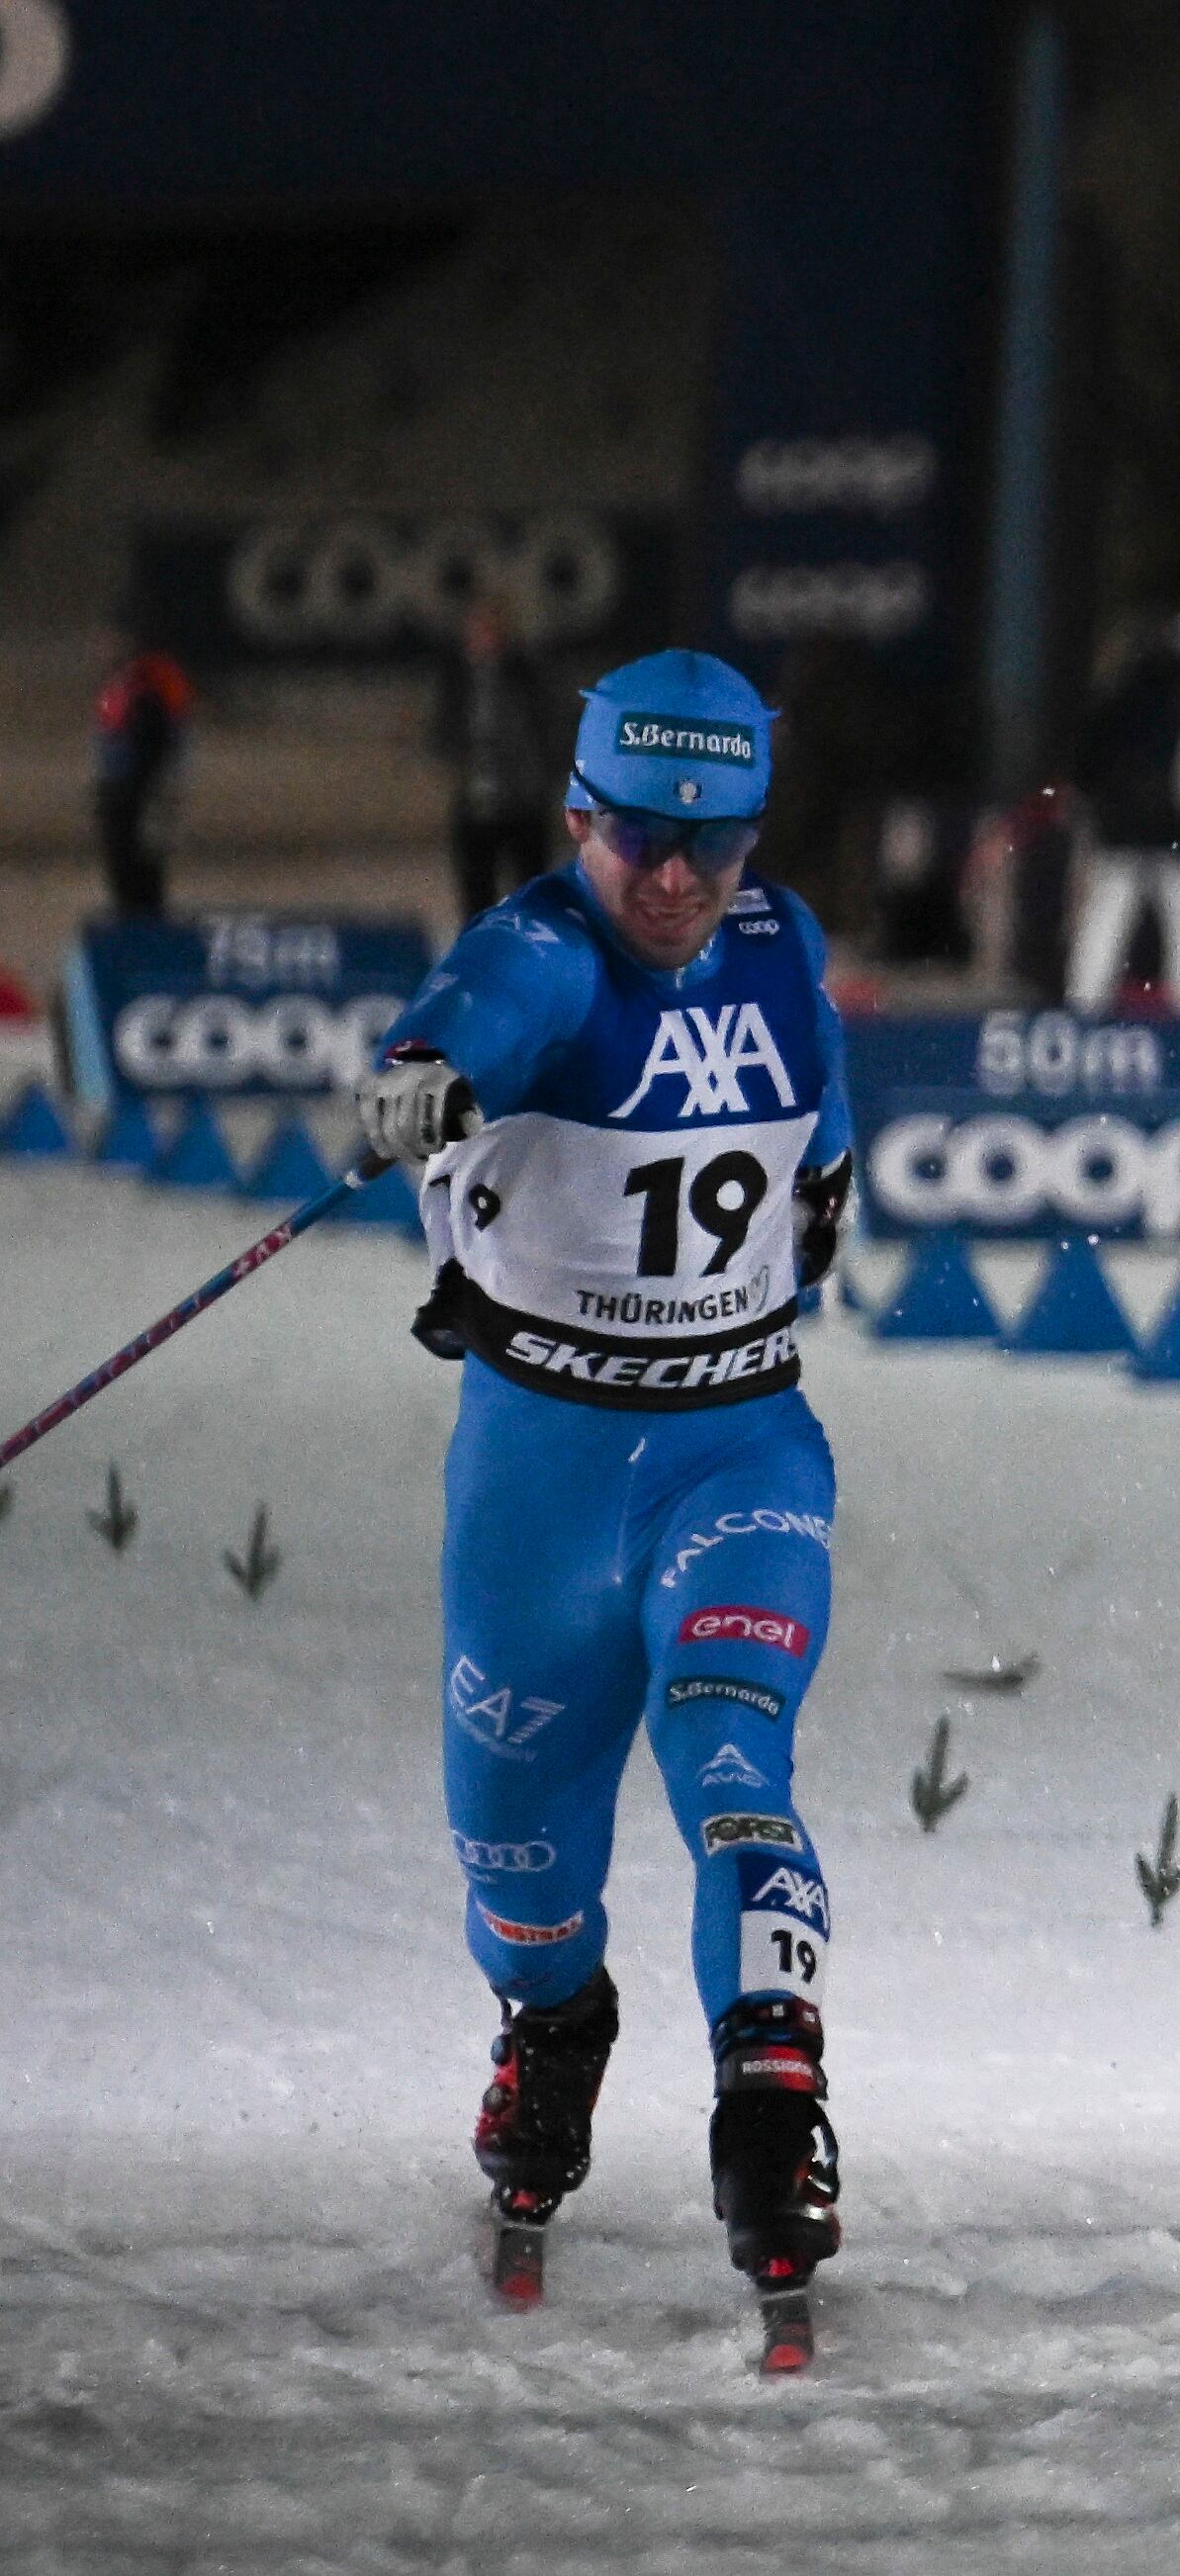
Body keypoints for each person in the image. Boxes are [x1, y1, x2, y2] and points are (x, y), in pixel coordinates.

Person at [353, 648, 859, 2338]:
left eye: (713, 846)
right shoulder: (544, 952)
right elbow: (469, 1015)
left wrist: (829, 1195)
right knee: (516, 1867)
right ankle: (557, 2026)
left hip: (735, 1447)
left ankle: (771, 2109)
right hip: (540, 1485)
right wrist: (422, 1078)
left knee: (735, 1750)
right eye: (641, 837)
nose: (676, 880)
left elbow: (823, 1129)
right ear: (578, 813)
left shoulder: (783, 947)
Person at [1065, 593, 1180, 1015]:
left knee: (1113, 912)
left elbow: (1088, 758)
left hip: (1125, 822)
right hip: (1166, 823)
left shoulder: (1120, 694)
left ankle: (1085, 1007)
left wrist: (1093, 801)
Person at [432, 597, 562, 929]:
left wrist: (543, 775)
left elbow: (548, 726)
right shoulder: (459, 679)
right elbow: (443, 733)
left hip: (524, 801)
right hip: (478, 802)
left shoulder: (525, 674)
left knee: (531, 892)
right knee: (477, 895)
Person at [90, 614, 193, 920]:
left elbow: (156, 741)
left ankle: (142, 929)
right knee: (129, 864)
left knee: (136, 867)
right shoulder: (129, 681)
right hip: (127, 790)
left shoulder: (148, 683)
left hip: (135, 793)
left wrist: (135, 790)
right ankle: (136, 922)